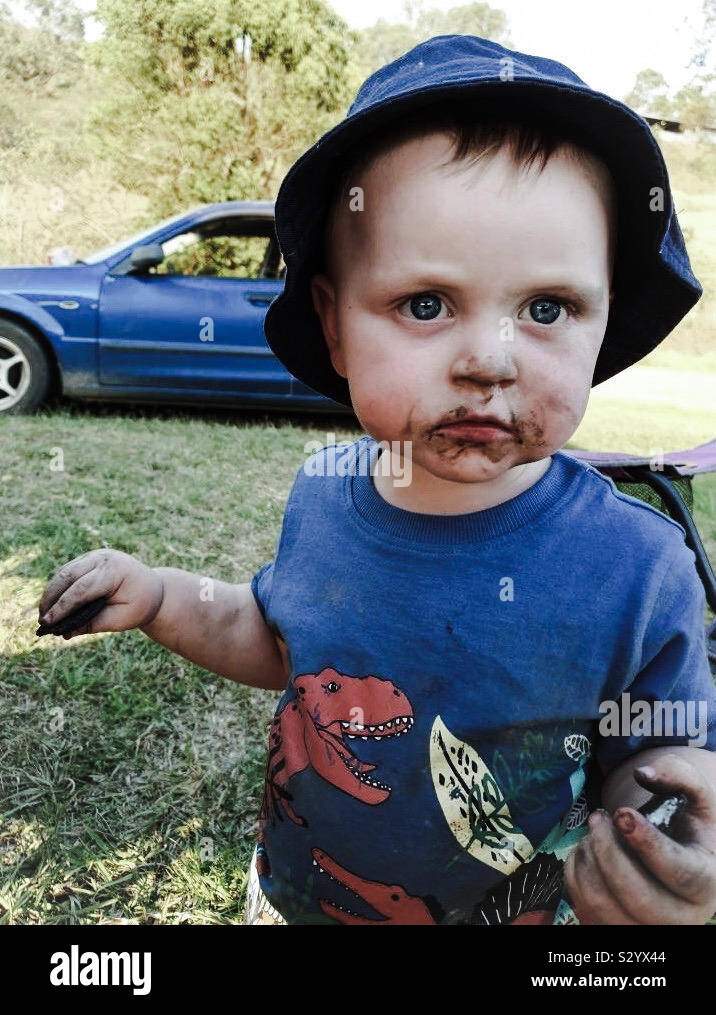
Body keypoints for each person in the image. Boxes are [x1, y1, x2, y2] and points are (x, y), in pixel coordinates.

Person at [37, 35, 716, 925]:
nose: (488, 360)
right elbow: (284, 640)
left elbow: (665, 752)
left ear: (604, 319)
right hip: (295, 900)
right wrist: (163, 596)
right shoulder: (325, 491)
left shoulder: (639, 567)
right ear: (334, 322)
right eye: (425, 304)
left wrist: (675, 831)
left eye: (547, 308)